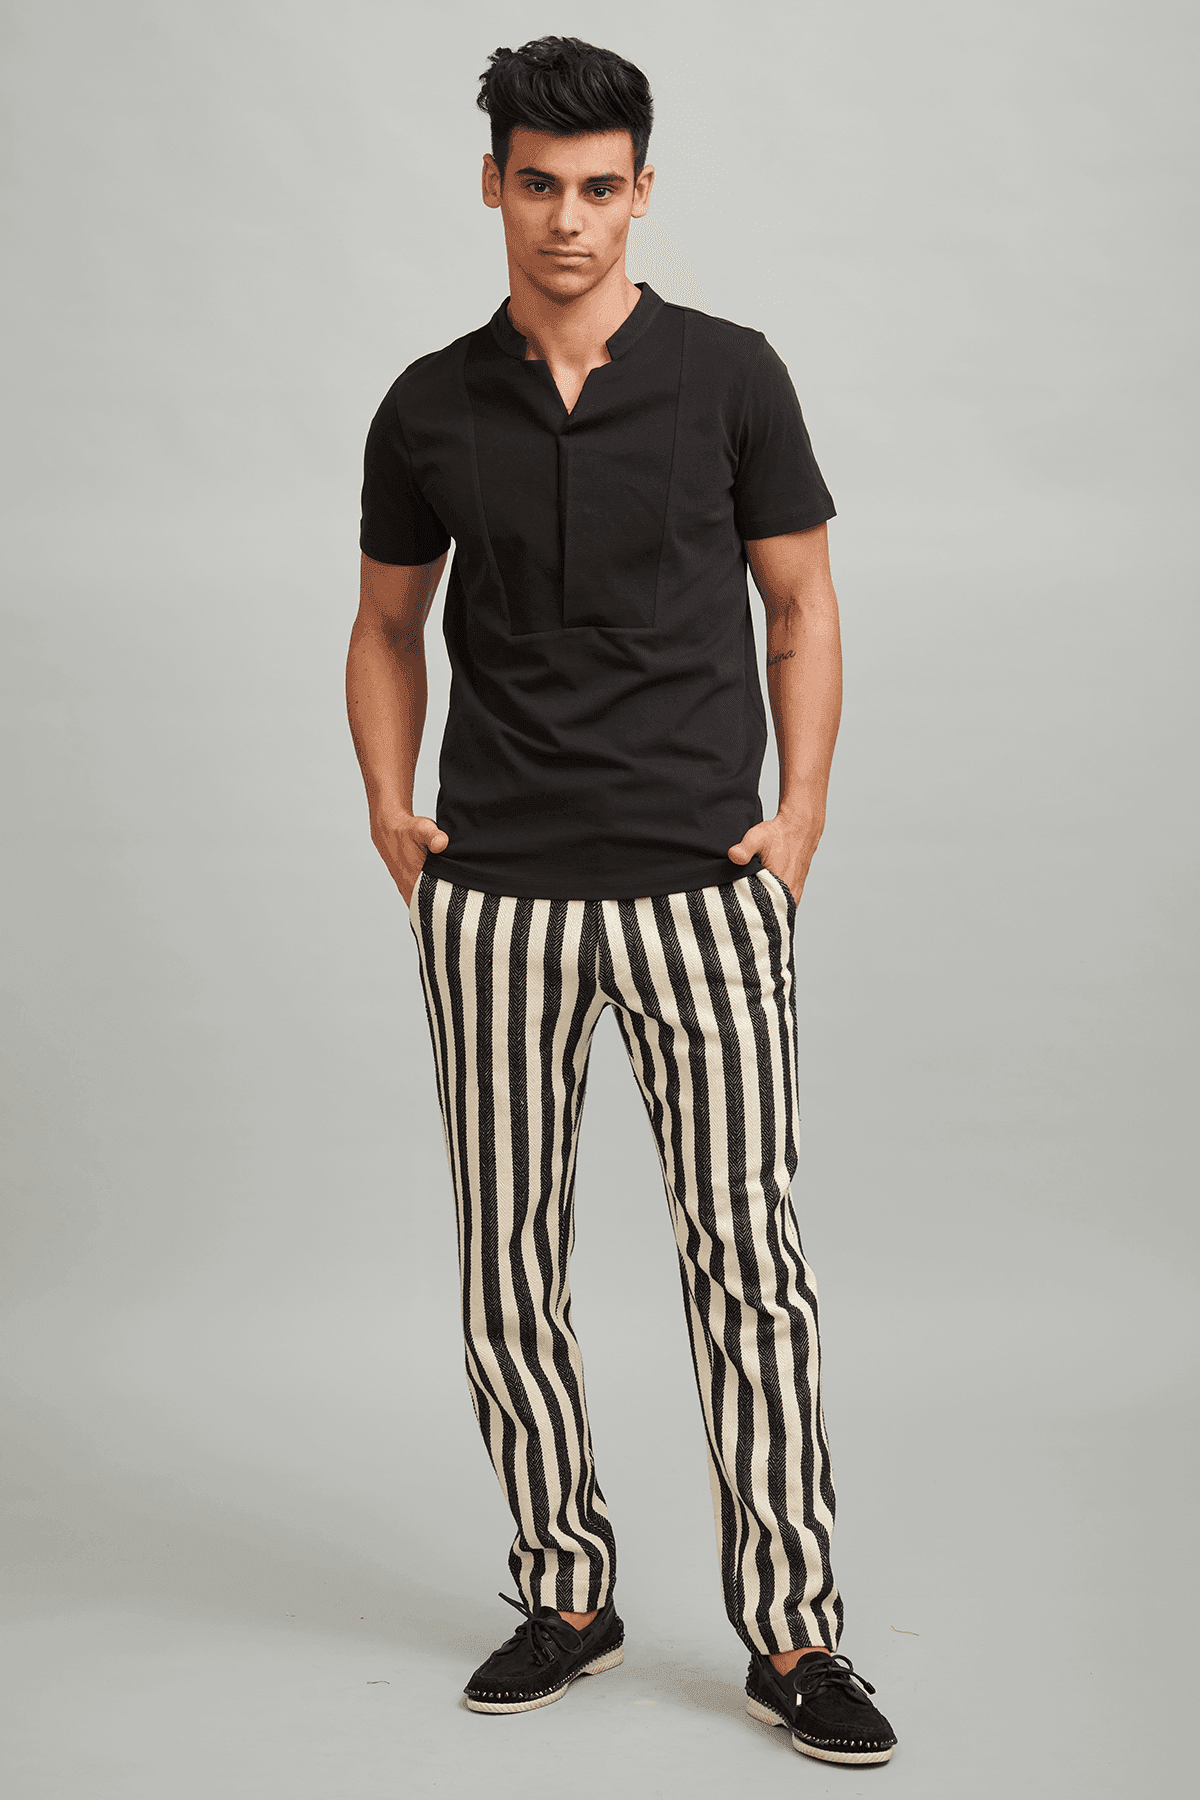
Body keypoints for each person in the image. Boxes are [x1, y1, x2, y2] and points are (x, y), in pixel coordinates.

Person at [346, 34, 897, 1768]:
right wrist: (391, 813)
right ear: (492, 185)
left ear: (643, 190)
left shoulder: (732, 375)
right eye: (538, 184)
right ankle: (566, 1595)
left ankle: (793, 1631)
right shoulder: (427, 404)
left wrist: (799, 819)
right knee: (507, 1266)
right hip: (498, 902)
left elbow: (801, 607)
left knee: (751, 1264)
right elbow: (385, 626)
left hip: (702, 894)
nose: (568, 219)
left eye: (599, 187)